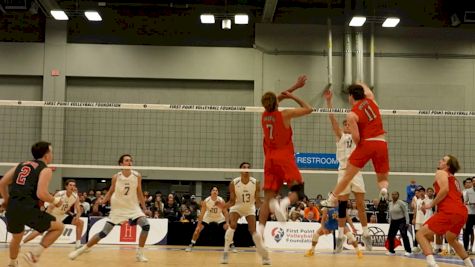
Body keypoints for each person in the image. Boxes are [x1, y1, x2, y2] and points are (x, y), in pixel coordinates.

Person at [69, 154, 150, 262]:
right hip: (118, 209)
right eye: (126, 161)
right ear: (121, 164)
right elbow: (111, 191)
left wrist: (144, 208)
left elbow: (139, 192)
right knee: (103, 233)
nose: (129, 162)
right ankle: (80, 250)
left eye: (131, 161)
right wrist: (103, 201)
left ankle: (139, 254)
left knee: (146, 226)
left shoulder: (137, 176)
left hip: (133, 207)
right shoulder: (116, 177)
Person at [259, 74, 313, 233]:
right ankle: (283, 204)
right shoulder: (285, 114)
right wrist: (293, 95)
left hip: (269, 158)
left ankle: (260, 233)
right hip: (284, 156)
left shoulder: (264, 115)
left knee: (267, 199)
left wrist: (295, 86)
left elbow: (276, 98)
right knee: (299, 191)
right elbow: (309, 109)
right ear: (276, 103)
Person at [323, 83, 389, 207]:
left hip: (367, 143)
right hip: (381, 142)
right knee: (382, 178)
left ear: (351, 96)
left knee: (348, 175)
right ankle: (383, 190)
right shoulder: (371, 99)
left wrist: (361, 148)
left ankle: (332, 198)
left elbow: (357, 137)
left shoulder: (352, 114)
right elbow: (367, 89)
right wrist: (358, 82)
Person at [0, 141, 65, 267]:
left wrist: (7, 200)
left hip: (13, 208)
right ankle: (34, 254)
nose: (52, 155)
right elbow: (42, 194)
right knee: (59, 227)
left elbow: (2, 183)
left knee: (16, 237)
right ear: (46, 155)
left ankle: (12, 263)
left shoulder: (21, 165)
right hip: (28, 207)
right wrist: (56, 201)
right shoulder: (45, 169)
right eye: (51, 152)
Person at [323, 88, 372, 251]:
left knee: (360, 204)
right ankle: (340, 238)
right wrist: (329, 103)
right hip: (343, 171)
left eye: (348, 123)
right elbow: (332, 121)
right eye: (345, 123)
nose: (346, 125)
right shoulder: (341, 137)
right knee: (342, 206)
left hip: (356, 171)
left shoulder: (359, 137)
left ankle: (366, 235)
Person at [416, 155, 472, 267]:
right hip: (462, 212)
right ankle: (469, 264)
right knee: (451, 238)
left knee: (420, 234)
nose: (440, 160)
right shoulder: (454, 179)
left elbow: (445, 190)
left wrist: (431, 204)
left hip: (450, 210)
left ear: (448, 165)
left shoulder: (441, 172)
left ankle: (432, 263)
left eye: (443, 160)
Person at [219, 162, 268, 264]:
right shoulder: (234, 183)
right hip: (237, 206)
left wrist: (266, 206)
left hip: (249, 207)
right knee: (232, 225)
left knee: (253, 230)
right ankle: (225, 253)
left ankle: (264, 256)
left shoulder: (256, 182)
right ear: (240, 169)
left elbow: (258, 201)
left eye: (248, 167)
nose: (246, 169)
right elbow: (232, 201)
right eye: (244, 167)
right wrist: (223, 206)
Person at [22, 179, 84, 249]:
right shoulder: (60, 194)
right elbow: (50, 207)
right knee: (39, 231)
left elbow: (78, 210)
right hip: (52, 215)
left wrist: (77, 217)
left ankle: (78, 245)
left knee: (80, 222)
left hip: (62, 215)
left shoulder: (75, 196)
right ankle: (21, 243)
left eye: (74, 185)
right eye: (70, 185)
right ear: (66, 187)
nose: (72, 187)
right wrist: (45, 218)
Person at [185, 186, 228, 252]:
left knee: (228, 229)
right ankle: (191, 244)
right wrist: (198, 226)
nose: (215, 191)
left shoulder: (221, 200)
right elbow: (201, 214)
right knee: (197, 230)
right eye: (213, 190)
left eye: (216, 190)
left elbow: (225, 212)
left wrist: (228, 223)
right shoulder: (206, 201)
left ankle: (232, 244)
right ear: (210, 192)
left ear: (218, 192)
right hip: (208, 216)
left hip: (219, 216)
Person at [386, 191, 412, 256]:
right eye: (392, 194)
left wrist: (407, 222)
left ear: (398, 195)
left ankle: (408, 251)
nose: (394, 195)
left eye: (395, 194)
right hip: (393, 222)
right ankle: (391, 251)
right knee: (390, 236)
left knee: (404, 235)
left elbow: (406, 212)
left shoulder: (401, 203)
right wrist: (390, 221)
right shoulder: (390, 203)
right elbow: (390, 213)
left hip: (401, 221)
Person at [412, 186, 432, 252]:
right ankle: (420, 247)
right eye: (419, 192)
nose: (421, 193)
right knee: (419, 235)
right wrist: (414, 218)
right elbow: (416, 210)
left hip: (426, 220)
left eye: (422, 191)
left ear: (425, 192)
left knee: (426, 235)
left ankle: (428, 248)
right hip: (418, 220)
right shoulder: (417, 201)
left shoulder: (428, 200)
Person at [463, 178, 475, 253]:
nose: (474, 182)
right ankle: (465, 249)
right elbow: (465, 202)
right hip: (470, 214)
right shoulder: (468, 191)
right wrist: (470, 203)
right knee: (467, 232)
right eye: (473, 181)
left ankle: (471, 247)